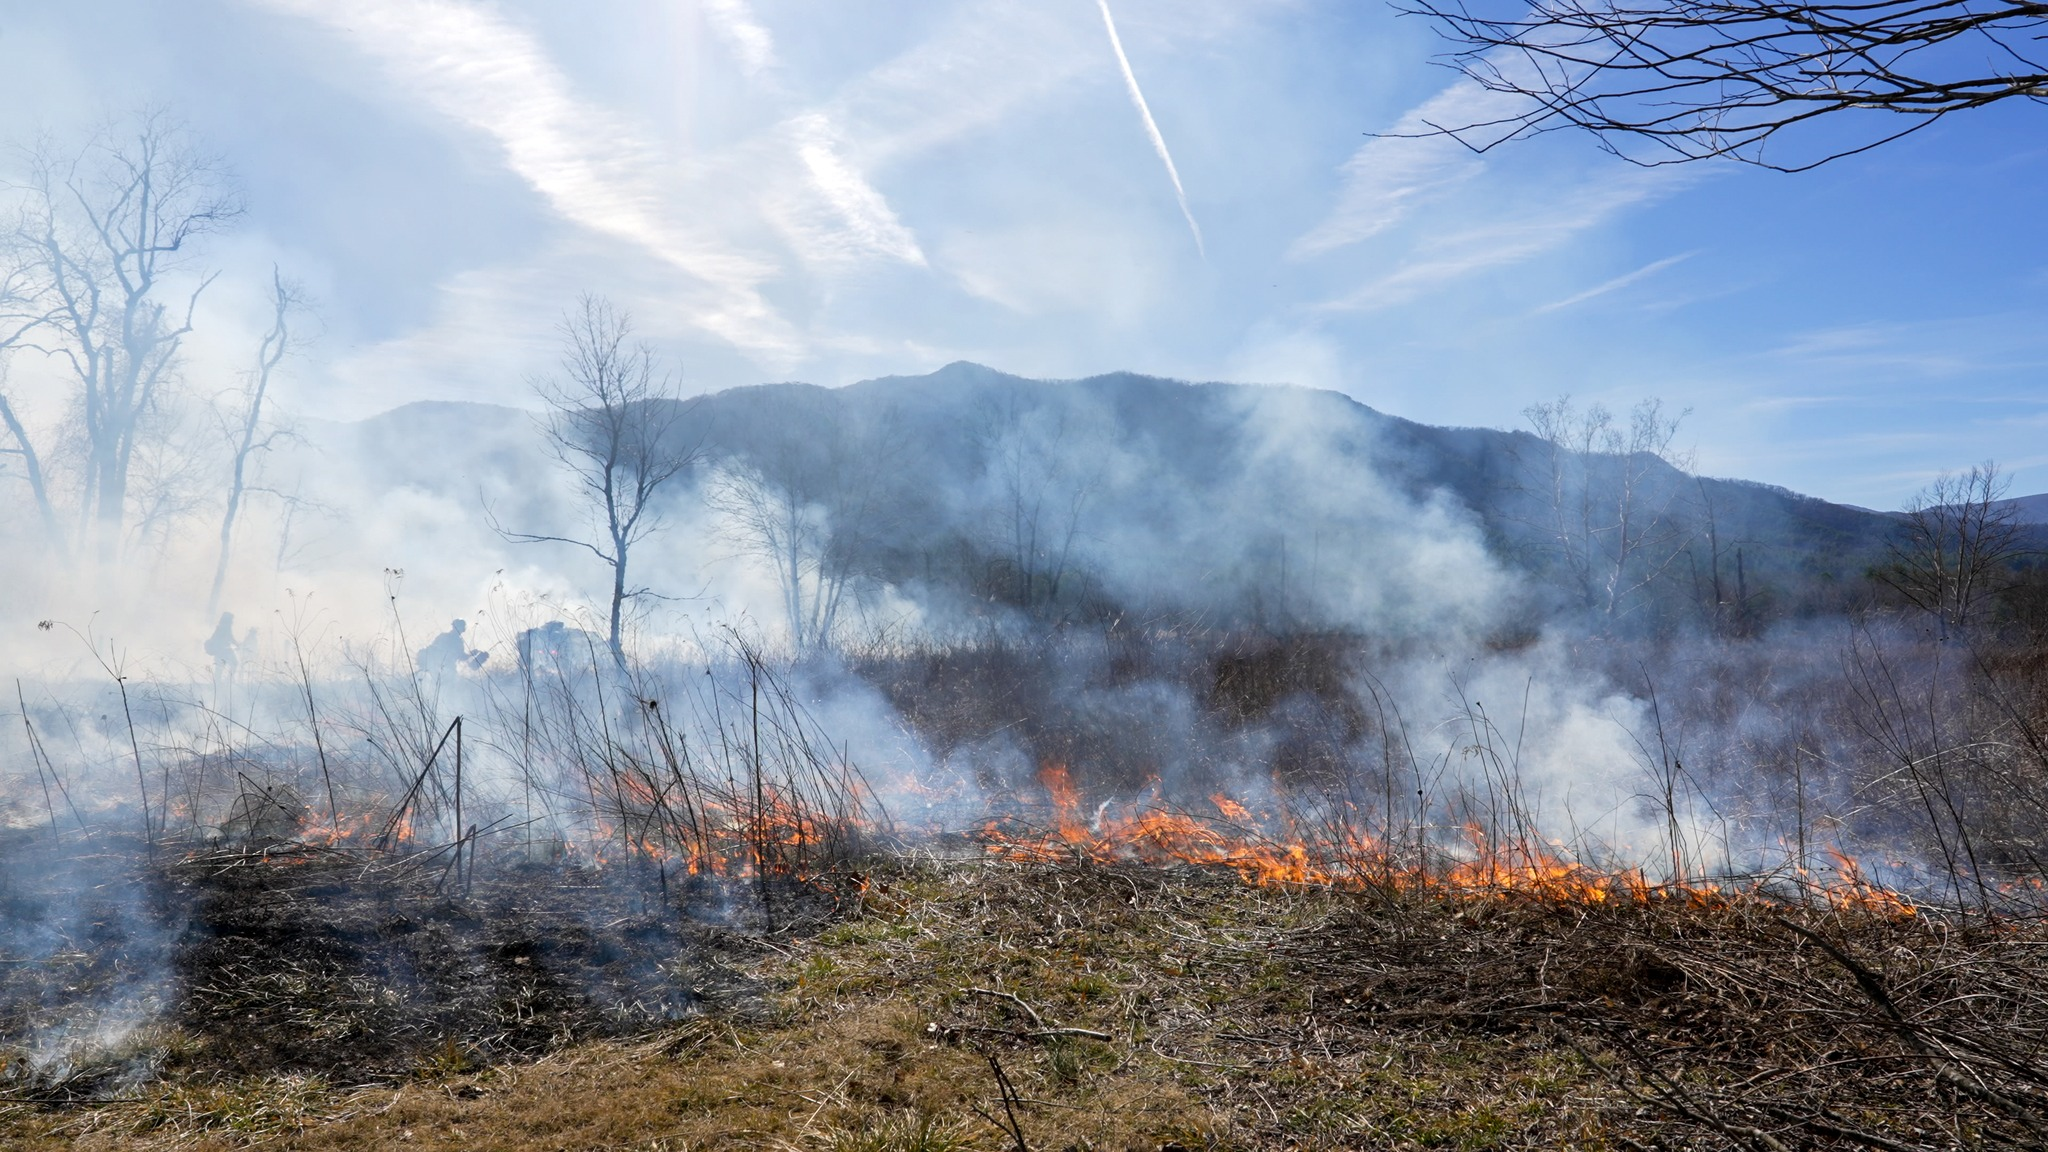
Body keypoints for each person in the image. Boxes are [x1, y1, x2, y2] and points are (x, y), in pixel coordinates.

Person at [418, 619, 488, 679]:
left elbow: (432, 647)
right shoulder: (458, 641)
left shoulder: (443, 636)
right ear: (463, 629)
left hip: (434, 666)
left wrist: (471, 654)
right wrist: (471, 654)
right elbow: (461, 657)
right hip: (447, 667)